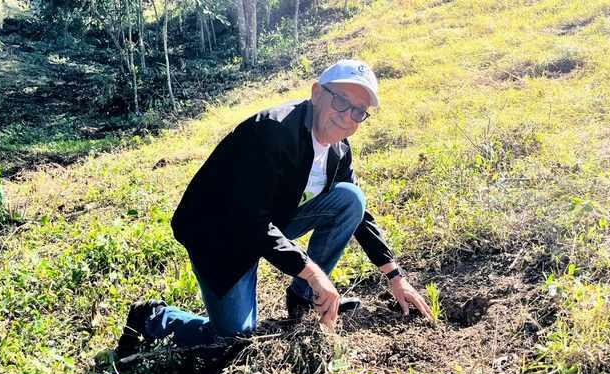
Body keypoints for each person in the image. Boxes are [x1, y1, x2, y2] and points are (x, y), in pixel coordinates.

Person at [116, 60, 433, 356]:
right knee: (233, 340)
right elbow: (249, 220)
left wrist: (395, 276)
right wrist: (312, 272)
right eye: (341, 101)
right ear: (316, 93)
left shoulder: (339, 148)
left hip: (270, 221)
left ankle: (304, 299)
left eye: (359, 111)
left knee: (350, 199)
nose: (348, 116)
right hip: (219, 235)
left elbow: (359, 215)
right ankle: (154, 317)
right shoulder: (271, 132)